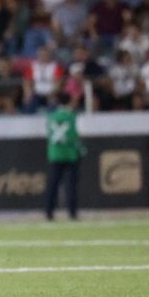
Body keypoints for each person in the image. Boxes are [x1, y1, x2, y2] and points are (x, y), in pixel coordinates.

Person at [45, 93, 85, 221]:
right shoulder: (71, 117)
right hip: (69, 154)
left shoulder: (51, 117)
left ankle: (49, 212)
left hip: (55, 154)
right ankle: (72, 212)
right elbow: (74, 137)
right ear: (69, 102)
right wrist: (82, 150)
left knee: (52, 184)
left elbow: (50, 135)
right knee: (70, 185)